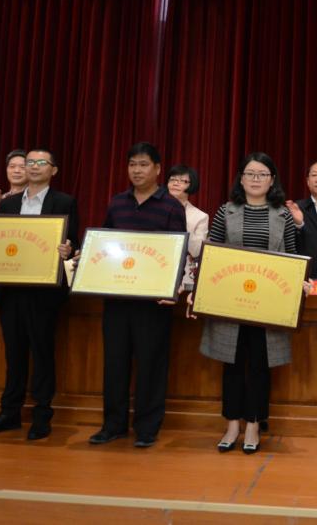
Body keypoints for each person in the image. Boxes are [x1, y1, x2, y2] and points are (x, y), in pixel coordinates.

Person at [0, 148, 78, 441]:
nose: (33, 166)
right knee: (13, 355)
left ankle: (42, 415)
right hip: (10, 291)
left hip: (44, 293)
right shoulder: (9, 204)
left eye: (41, 162)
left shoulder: (64, 202)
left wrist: (69, 249)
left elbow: (73, 241)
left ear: (53, 170)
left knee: (43, 354)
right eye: (30, 162)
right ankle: (9, 413)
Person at [192, 152, 299, 455]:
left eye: (262, 174)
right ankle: (232, 425)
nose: (255, 179)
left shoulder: (283, 215)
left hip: (268, 305)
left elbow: (291, 257)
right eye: (250, 173)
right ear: (241, 179)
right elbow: (211, 253)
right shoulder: (226, 211)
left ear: (272, 180)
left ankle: (253, 424)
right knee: (233, 364)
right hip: (232, 302)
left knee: (260, 366)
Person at [88, 142, 186, 449]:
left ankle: (147, 427)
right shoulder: (117, 203)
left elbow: (177, 252)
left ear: (157, 169)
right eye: (132, 164)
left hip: (153, 303)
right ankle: (113, 425)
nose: (137, 170)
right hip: (117, 298)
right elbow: (105, 244)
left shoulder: (171, 206)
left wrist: (172, 288)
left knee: (151, 365)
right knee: (115, 363)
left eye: (143, 164)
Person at [166, 164, 209, 288]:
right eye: (172, 179)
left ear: (191, 185)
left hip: (182, 274)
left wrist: (182, 220)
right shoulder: (155, 209)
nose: (176, 183)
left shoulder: (200, 217)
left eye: (182, 181)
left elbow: (196, 252)